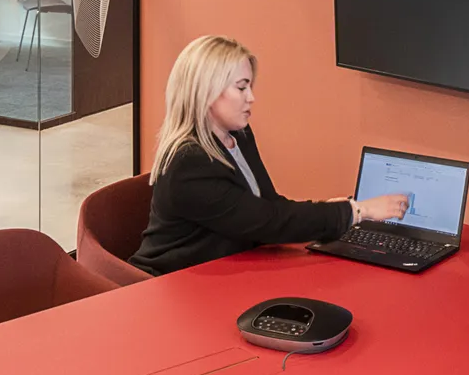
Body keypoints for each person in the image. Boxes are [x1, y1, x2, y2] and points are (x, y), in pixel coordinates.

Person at [131, 35, 409, 275]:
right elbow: (269, 222)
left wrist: (332, 212)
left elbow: (268, 204)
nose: (251, 97)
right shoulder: (189, 163)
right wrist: (357, 211)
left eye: (250, 86)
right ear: (206, 93)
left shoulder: (238, 135)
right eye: (241, 87)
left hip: (223, 270)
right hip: (174, 285)